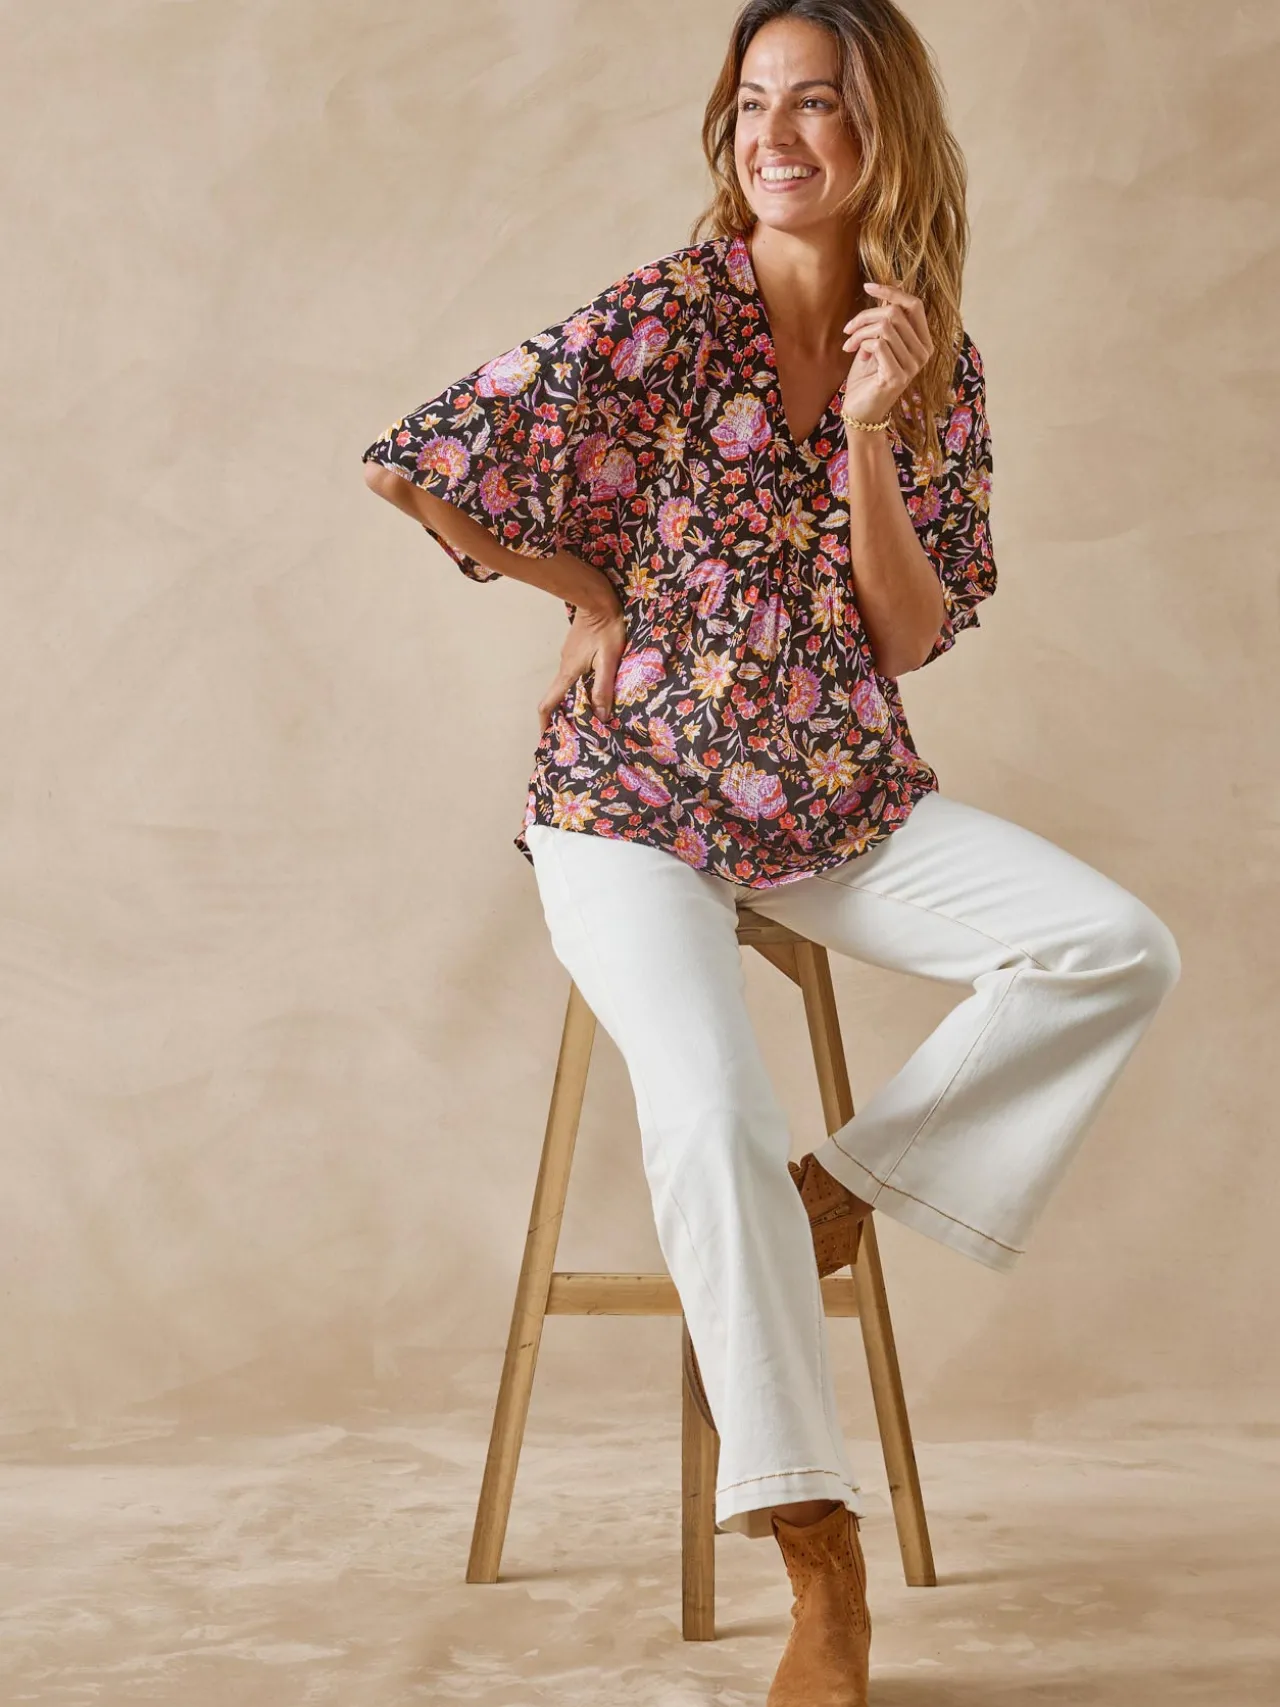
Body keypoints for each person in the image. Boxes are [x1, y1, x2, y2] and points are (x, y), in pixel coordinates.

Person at [361, 2, 1180, 1700]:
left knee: (1113, 945)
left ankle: (842, 1191)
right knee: (714, 1109)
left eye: (817, 103)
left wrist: (872, 425)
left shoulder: (932, 357)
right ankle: (821, 1559)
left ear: (887, 133)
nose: (778, 136)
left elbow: (902, 635)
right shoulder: (670, 313)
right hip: (628, 804)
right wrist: (585, 593)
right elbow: (417, 462)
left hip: (828, 796)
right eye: (754, 104)